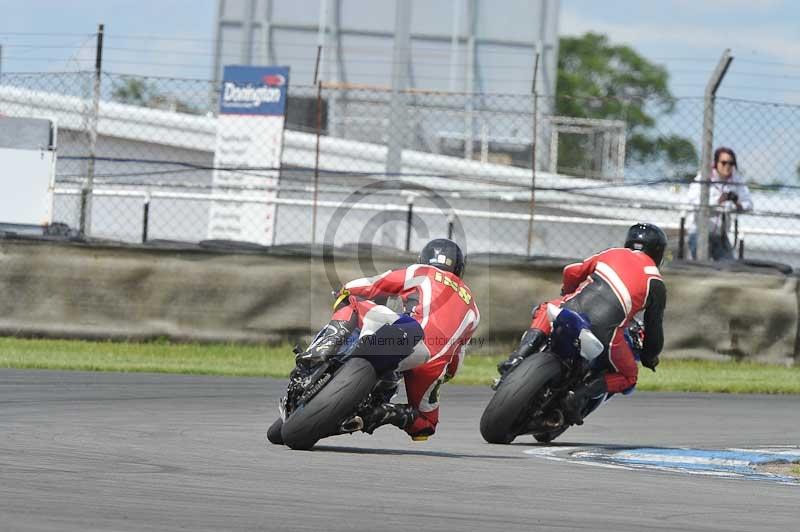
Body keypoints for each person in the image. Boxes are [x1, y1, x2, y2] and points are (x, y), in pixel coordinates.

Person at [296, 238, 480, 440]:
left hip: (408, 333)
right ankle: (383, 413)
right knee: (425, 426)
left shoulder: (422, 271)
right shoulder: (473, 309)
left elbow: (375, 284)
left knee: (353, 303)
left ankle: (321, 350)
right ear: (460, 269)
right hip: (432, 363)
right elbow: (455, 362)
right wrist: (441, 375)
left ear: (424, 258)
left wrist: (344, 289)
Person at [496, 223, 667, 425]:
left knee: (546, 308)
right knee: (629, 376)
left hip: (572, 307)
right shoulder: (656, 282)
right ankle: (577, 396)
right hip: (606, 333)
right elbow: (654, 329)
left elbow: (572, 271)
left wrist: (568, 291)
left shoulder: (613, 253)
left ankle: (518, 357)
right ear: (658, 253)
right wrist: (649, 357)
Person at [686, 147, 753, 261]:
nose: (728, 166)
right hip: (700, 232)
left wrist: (737, 204)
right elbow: (693, 202)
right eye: (724, 162)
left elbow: (749, 205)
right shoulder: (704, 177)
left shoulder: (736, 181)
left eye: (731, 163)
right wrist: (718, 201)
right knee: (701, 267)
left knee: (729, 268)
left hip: (720, 235)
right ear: (716, 163)